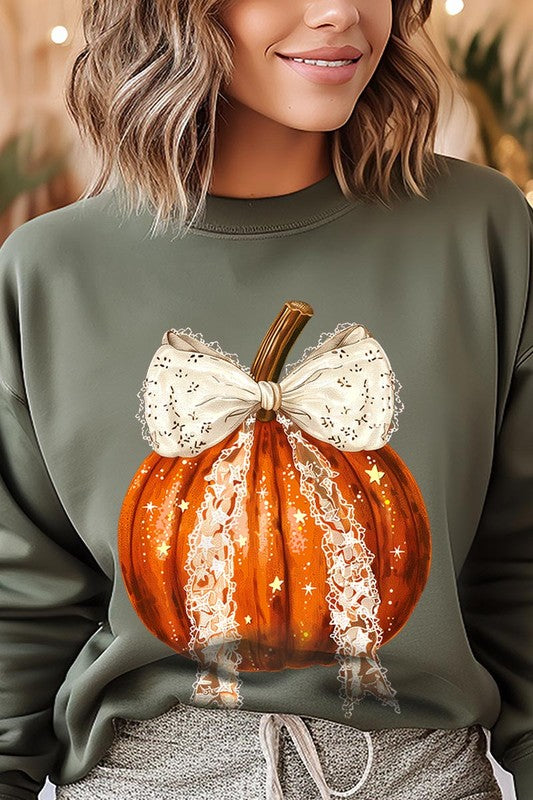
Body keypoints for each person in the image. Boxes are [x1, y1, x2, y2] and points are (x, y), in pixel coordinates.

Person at [0, 0, 531, 798]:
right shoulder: (48, 270)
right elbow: (22, 604)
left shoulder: (482, 230)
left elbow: (520, 566)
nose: (339, 13)